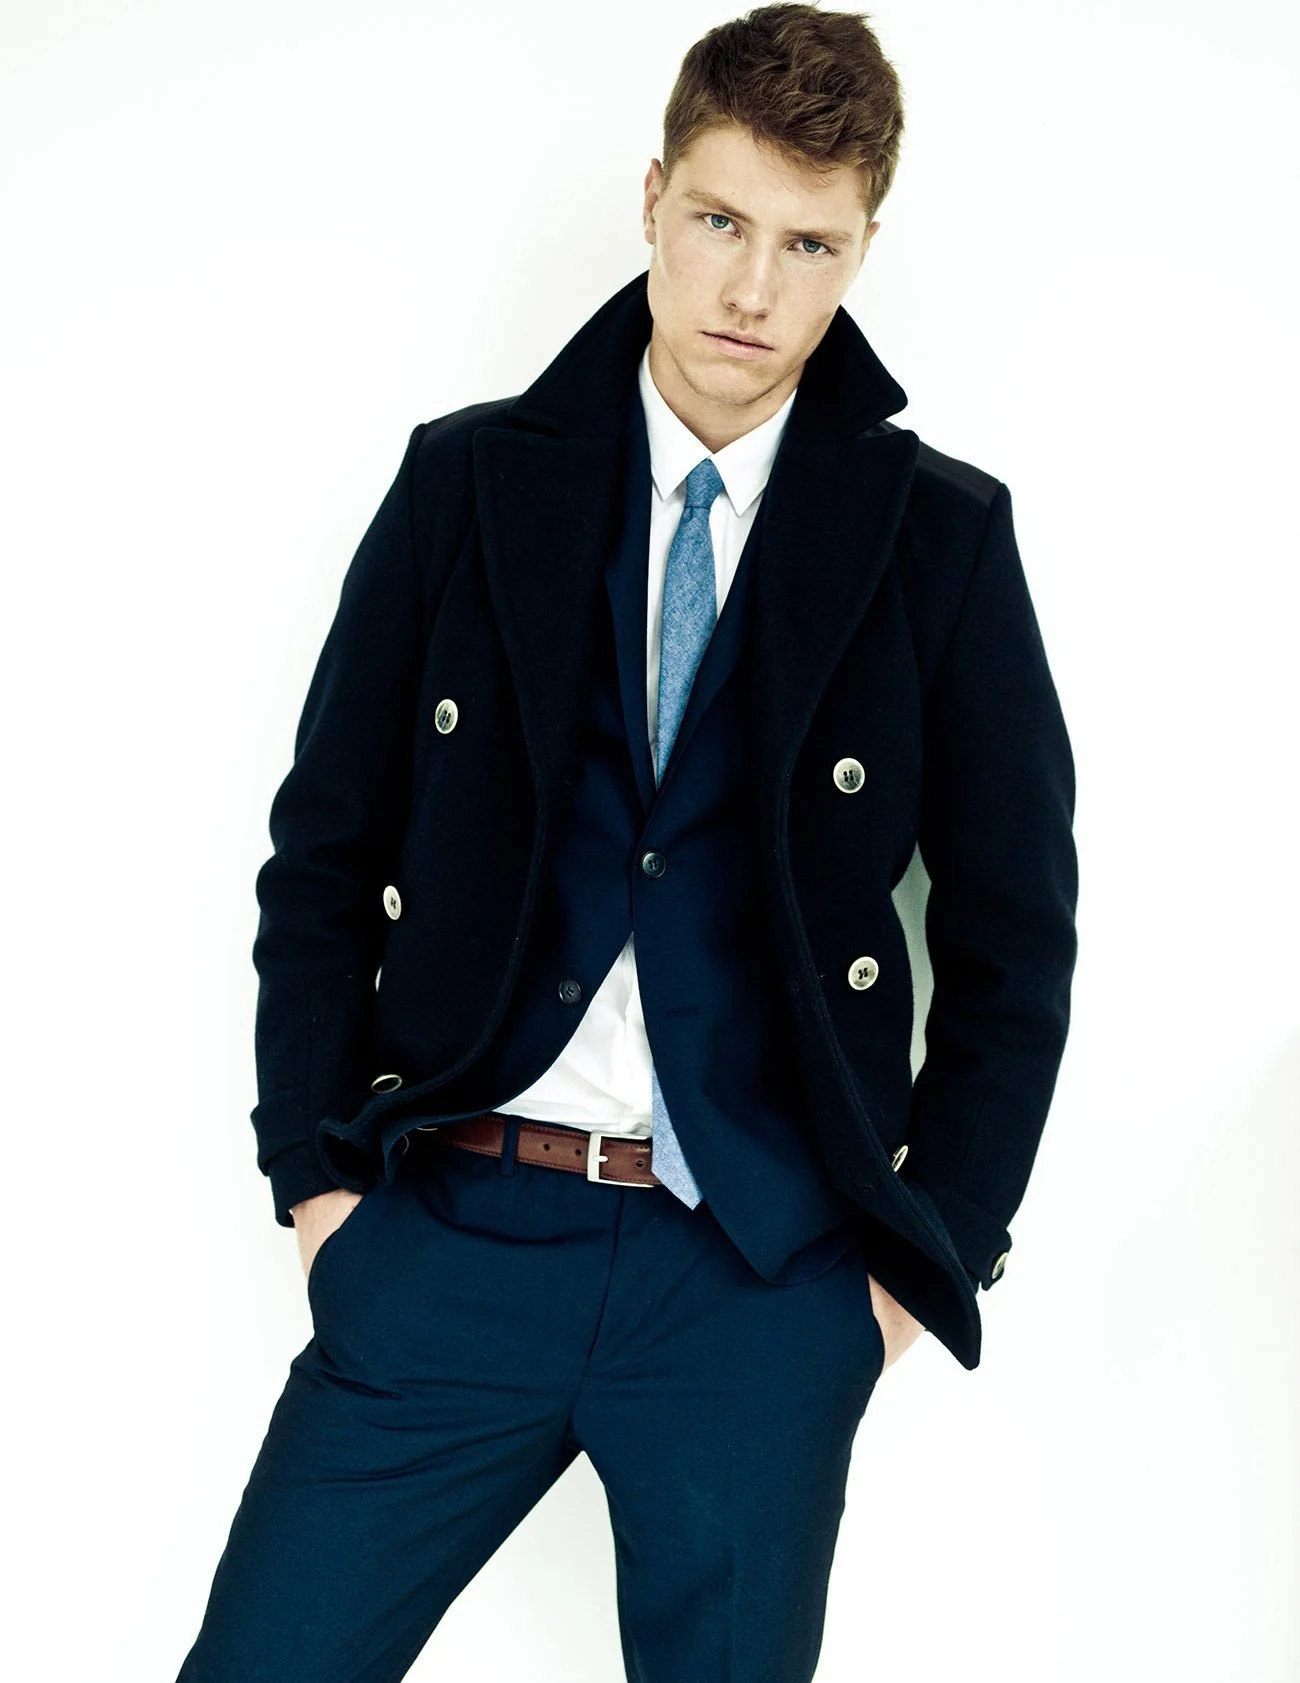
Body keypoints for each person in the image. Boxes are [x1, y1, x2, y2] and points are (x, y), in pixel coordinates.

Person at [176, 4, 1077, 1678]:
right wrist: (315, 1183)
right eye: (721, 222)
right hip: (454, 1233)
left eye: (809, 243)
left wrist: (907, 1266)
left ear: (865, 244)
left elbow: (1020, 939)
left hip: (758, 1282)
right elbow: (322, 852)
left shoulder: (941, 540)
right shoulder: (466, 486)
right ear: (652, 198)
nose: (753, 289)